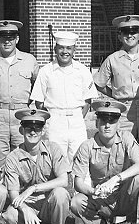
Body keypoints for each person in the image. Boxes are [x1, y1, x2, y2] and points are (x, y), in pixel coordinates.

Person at [93, 14, 139, 221]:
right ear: (120, 35)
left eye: (134, 31)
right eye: (125, 32)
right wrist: (116, 97)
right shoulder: (112, 59)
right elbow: (99, 83)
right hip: (123, 112)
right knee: (122, 161)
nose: (130, 35)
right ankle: (121, 210)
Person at [70, 100, 139, 224]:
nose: (107, 125)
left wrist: (116, 179)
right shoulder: (87, 146)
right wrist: (92, 192)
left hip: (125, 197)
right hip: (102, 199)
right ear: (97, 123)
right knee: (76, 202)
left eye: (112, 120)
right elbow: (78, 182)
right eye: (103, 120)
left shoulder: (126, 138)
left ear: (119, 124)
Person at [1, 108, 70, 224]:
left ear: (43, 131)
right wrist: (25, 209)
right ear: (22, 130)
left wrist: (33, 188)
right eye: (28, 128)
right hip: (28, 204)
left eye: (37, 128)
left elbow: (64, 180)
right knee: (10, 214)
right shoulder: (12, 158)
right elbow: (14, 195)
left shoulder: (53, 149)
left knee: (61, 193)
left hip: (48, 202)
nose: (33, 132)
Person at [0, 20, 39, 167]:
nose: (7, 41)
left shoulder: (29, 60)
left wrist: (25, 103)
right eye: (3, 37)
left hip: (22, 114)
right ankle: (0, 190)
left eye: (11, 37)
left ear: (17, 39)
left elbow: (37, 86)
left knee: (24, 160)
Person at [30, 31, 97, 165]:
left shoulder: (82, 70)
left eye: (68, 48)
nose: (64, 52)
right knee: (55, 160)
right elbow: (39, 101)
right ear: (55, 49)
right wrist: (51, 119)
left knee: (80, 159)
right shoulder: (46, 71)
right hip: (54, 121)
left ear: (74, 50)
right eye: (61, 47)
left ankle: (82, 186)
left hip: (76, 121)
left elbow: (88, 100)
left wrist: (77, 116)